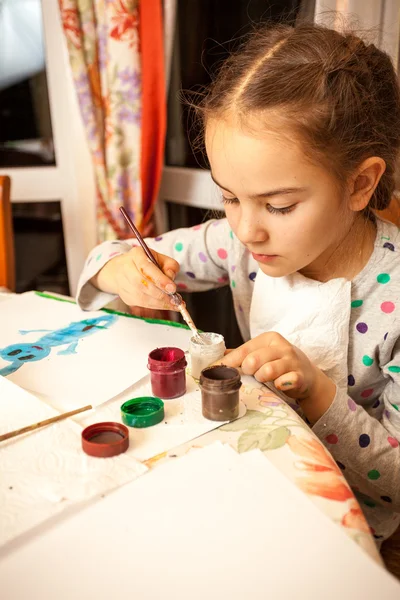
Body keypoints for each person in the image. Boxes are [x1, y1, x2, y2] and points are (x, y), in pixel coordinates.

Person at [77, 22, 400, 543]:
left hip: (340, 526)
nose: (248, 229)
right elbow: (109, 256)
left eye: (279, 205)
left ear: (360, 183)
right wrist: (122, 271)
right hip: (243, 482)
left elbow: (396, 485)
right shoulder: (234, 244)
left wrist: (317, 391)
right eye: (228, 197)